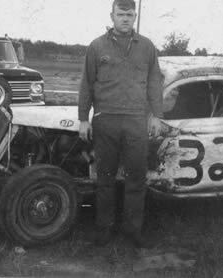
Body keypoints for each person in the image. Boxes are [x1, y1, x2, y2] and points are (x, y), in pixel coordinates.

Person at [78, 0, 163, 248]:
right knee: (105, 178)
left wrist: (156, 115)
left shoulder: (147, 47)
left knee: (136, 178)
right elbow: (87, 84)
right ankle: (104, 229)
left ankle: (133, 231)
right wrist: (84, 118)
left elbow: (155, 82)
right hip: (106, 121)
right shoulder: (96, 47)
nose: (126, 18)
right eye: (121, 14)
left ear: (135, 16)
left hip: (137, 121)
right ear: (112, 16)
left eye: (130, 14)